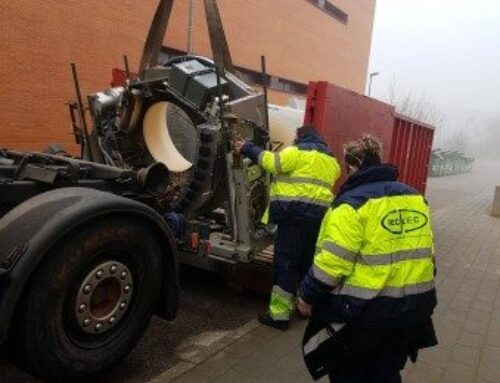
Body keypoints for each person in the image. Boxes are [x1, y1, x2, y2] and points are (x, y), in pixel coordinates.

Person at [298, 134, 438, 382]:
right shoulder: (415, 198)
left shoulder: (350, 205)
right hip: (412, 313)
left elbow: (331, 266)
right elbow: (429, 258)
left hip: (364, 317)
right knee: (387, 373)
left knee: (351, 374)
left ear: (351, 166)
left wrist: (306, 297)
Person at [234, 126, 340, 330]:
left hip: (293, 218)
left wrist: (247, 148)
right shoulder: (332, 161)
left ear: (300, 136)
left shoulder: (297, 152)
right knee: (307, 264)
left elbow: (271, 162)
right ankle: (303, 306)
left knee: (286, 265)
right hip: (318, 220)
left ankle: (279, 316)